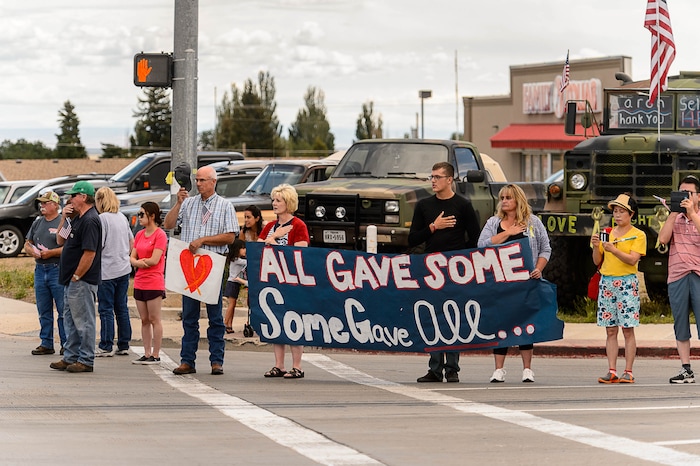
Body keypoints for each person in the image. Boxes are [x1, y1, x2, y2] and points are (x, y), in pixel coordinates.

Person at [408, 162, 480, 383]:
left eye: (438, 177)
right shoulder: (424, 206)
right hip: (431, 267)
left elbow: (475, 238)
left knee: (453, 316)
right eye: (432, 177)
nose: (433, 181)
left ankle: (452, 368)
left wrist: (460, 259)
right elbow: (412, 239)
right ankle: (435, 368)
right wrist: (433, 227)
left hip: (456, 268)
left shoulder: (463, 205)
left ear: (450, 180)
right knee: (433, 316)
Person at [164, 165, 238, 375]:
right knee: (189, 315)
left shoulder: (225, 206)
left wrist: (204, 240)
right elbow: (168, 224)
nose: (197, 184)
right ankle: (187, 360)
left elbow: (231, 236)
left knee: (215, 316)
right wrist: (178, 204)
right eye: (196, 180)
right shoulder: (188, 204)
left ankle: (217, 360)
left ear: (213, 182)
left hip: (213, 263)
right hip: (190, 265)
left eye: (202, 180)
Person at [477, 184, 551, 383]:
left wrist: (538, 268)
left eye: (508, 197)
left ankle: (527, 369)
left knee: (525, 324)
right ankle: (499, 369)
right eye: (502, 198)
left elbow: (545, 248)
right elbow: (482, 245)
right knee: (501, 324)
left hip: (526, 282)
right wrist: (508, 232)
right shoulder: (494, 223)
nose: (504, 201)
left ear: (518, 199)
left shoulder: (533, 222)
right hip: (501, 283)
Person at [591, 193, 647, 384]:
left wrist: (613, 249)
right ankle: (612, 370)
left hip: (626, 283)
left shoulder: (638, 235)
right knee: (610, 330)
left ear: (631, 214)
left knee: (628, 329)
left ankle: (628, 371)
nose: (617, 215)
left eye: (621, 211)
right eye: (615, 211)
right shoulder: (607, 232)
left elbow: (633, 260)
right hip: (607, 282)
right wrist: (595, 246)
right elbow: (597, 261)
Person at [50, 180, 102, 373]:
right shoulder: (78, 218)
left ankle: (86, 359)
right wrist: (64, 218)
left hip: (81, 279)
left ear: (82, 197)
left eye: (73, 195)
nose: (69, 199)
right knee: (70, 319)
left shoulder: (90, 220)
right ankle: (70, 356)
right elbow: (59, 239)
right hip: (70, 279)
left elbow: (90, 253)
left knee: (84, 320)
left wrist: (77, 275)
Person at [259, 183, 310, 379]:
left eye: (278, 200)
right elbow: (258, 247)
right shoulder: (271, 227)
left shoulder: (298, 225)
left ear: (288, 203)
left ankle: (297, 365)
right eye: (273, 200)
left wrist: (274, 240)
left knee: (293, 321)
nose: (274, 203)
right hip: (273, 281)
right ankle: (278, 365)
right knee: (276, 320)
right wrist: (273, 237)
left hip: (292, 282)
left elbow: (300, 251)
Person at [657, 175, 700, 384]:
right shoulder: (674, 217)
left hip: (699, 275)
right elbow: (663, 239)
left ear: (698, 196)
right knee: (680, 324)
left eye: (689, 193)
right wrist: (674, 213)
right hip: (677, 275)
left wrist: (692, 213)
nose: (685, 197)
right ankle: (686, 369)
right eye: (681, 193)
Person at [24, 191, 66, 356]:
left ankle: (66, 343)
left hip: (56, 269)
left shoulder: (62, 222)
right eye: (41, 203)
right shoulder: (37, 223)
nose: (42, 205)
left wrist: (52, 252)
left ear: (55, 205)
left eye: (45, 203)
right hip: (40, 270)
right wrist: (31, 251)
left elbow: (68, 248)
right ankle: (46, 342)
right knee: (44, 310)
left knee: (63, 310)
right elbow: (28, 242)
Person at [94, 187, 134, 357]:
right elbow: (131, 241)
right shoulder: (121, 217)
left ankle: (106, 344)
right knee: (121, 308)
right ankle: (124, 343)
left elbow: (99, 245)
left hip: (107, 270)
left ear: (100, 200)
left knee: (106, 309)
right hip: (123, 268)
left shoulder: (102, 219)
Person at [130, 202, 168, 365]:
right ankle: (146, 352)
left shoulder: (160, 235)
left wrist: (140, 262)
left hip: (154, 281)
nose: (139, 218)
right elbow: (132, 257)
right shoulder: (139, 235)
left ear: (152, 216)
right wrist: (139, 263)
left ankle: (156, 353)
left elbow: (154, 260)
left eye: (142, 214)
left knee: (154, 318)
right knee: (144, 319)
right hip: (140, 281)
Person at [224, 239, 247, 334]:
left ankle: (230, 325)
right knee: (231, 304)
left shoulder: (237, 260)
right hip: (232, 283)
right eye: (242, 248)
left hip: (236, 284)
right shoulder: (236, 260)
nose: (245, 250)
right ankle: (225, 323)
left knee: (233, 305)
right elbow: (247, 263)